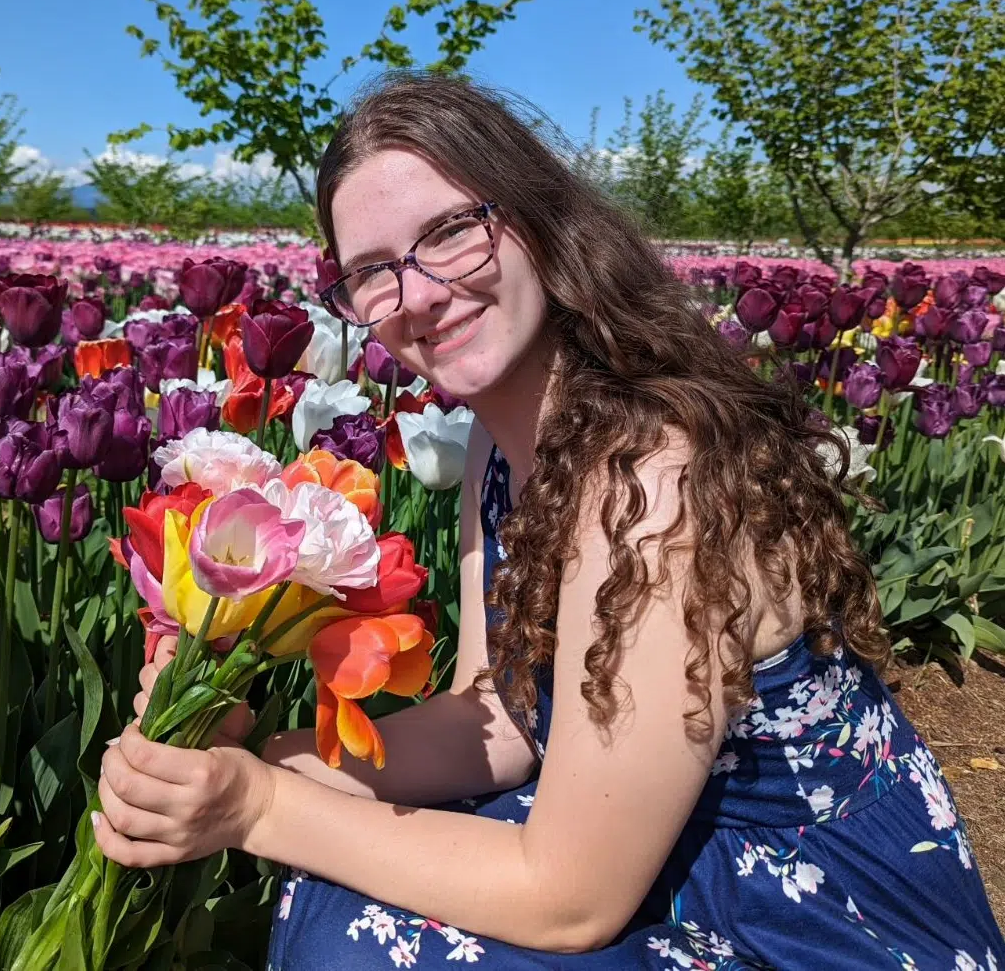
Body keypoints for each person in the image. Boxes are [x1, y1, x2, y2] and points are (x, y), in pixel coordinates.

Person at [92, 73, 1005, 968]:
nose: (415, 296)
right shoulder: (498, 452)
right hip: (662, 849)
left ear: (537, 222)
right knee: (341, 893)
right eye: (371, 272)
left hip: (813, 915)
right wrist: (253, 756)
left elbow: (568, 900)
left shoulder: (654, 487)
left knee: (362, 940)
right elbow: (499, 722)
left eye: (451, 233)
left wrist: (255, 807)